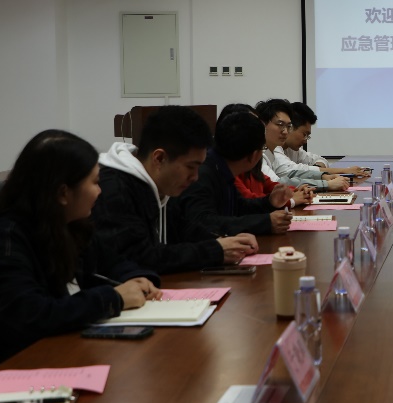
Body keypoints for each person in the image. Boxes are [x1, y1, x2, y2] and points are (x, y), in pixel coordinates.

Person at [0, 130, 161, 372]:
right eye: (94, 182)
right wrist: (114, 298)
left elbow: (111, 261)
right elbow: (33, 316)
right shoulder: (2, 242)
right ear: (63, 193)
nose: (100, 191)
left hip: (50, 354)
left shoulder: (69, 224)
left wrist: (135, 278)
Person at [93, 105, 257, 274]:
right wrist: (215, 250)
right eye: (190, 167)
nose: (195, 177)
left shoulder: (160, 184)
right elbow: (140, 258)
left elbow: (183, 228)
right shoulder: (113, 189)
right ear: (159, 158)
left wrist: (224, 240)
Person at [178, 109, 295, 236]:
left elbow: (239, 206)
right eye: (263, 148)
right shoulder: (202, 174)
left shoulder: (220, 166)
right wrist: (265, 223)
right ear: (254, 155)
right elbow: (204, 223)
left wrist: (269, 202)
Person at [256, 99, 348, 191]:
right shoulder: (256, 154)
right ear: (262, 124)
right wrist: (326, 184)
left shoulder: (271, 151)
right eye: (280, 124)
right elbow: (277, 184)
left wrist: (322, 176)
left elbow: (291, 174)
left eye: (288, 126)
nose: (285, 131)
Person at [284, 101, 367, 178]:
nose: (305, 141)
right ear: (290, 127)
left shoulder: (294, 151)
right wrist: (344, 170)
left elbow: (321, 160)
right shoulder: (277, 150)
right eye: (304, 134)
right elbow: (295, 170)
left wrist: (318, 168)